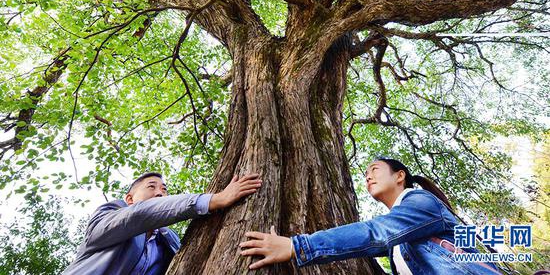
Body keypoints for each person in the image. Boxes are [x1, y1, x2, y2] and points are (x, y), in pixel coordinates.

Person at [240, 158, 501, 274]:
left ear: (400, 176)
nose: (368, 176)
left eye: (374, 169)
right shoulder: (400, 244)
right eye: (365, 174)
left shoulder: (420, 201)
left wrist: (297, 246)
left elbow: (376, 233)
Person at [63, 171, 262, 275]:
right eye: (152, 187)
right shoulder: (108, 215)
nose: (160, 193)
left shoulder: (168, 241)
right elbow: (138, 215)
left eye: (164, 190)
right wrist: (214, 200)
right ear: (130, 199)